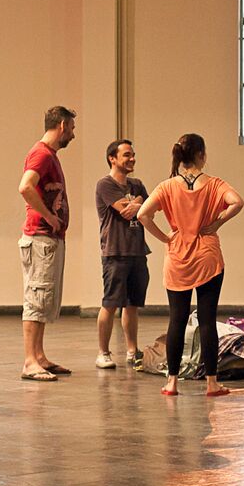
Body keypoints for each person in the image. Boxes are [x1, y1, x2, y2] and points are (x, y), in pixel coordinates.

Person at [136, 134, 244, 397]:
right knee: (207, 320)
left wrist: (165, 238)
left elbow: (142, 215)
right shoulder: (215, 184)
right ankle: (212, 383)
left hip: (177, 258)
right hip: (208, 257)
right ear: (201, 155)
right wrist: (217, 223)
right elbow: (237, 202)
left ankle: (172, 382)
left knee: (177, 319)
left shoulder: (166, 186)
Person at [17, 106, 76, 381]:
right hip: (40, 238)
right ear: (62, 125)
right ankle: (30, 361)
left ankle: (39, 356)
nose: (73, 134)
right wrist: (49, 216)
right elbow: (25, 187)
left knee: (44, 298)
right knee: (36, 297)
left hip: (49, 240)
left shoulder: (50, 155)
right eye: (72, 128)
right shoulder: (41, 154)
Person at [94, 139, 150, 369]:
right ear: (112, 158)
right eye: (127, 155)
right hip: (115, 253)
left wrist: (139, 202)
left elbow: (151, 207)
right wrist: (139, 203)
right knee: (110, 303)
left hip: (137, 251)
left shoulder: (137, 184)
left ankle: (132, 350)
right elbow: (125, 211)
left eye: (133, 154)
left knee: (132, 304)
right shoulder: (105, 184)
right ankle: (103, 353)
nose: (132, 158)